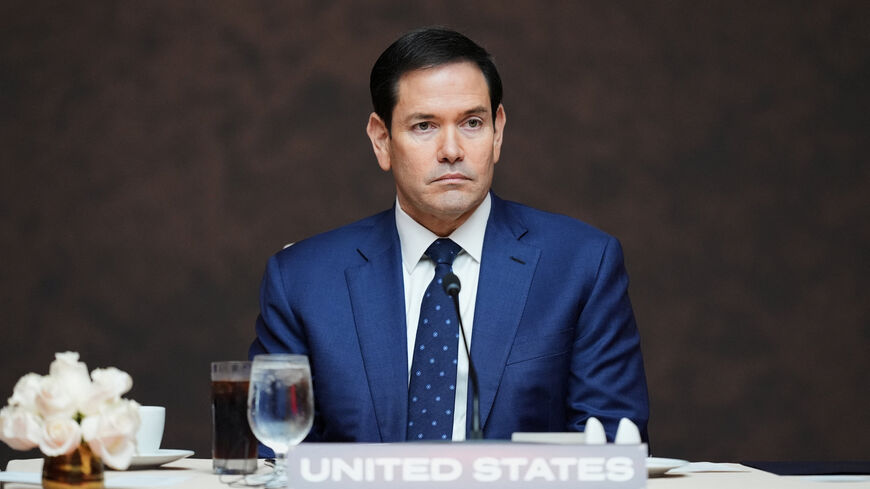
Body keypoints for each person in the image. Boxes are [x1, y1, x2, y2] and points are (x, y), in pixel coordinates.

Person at [249, 27, 649, 445]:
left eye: (472, 123)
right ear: (381, 139)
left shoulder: (582, 265)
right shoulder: (302, 280)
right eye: (424, 126)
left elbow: (613, 447)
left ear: (498, 131)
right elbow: (275, 455)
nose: (452, 150)